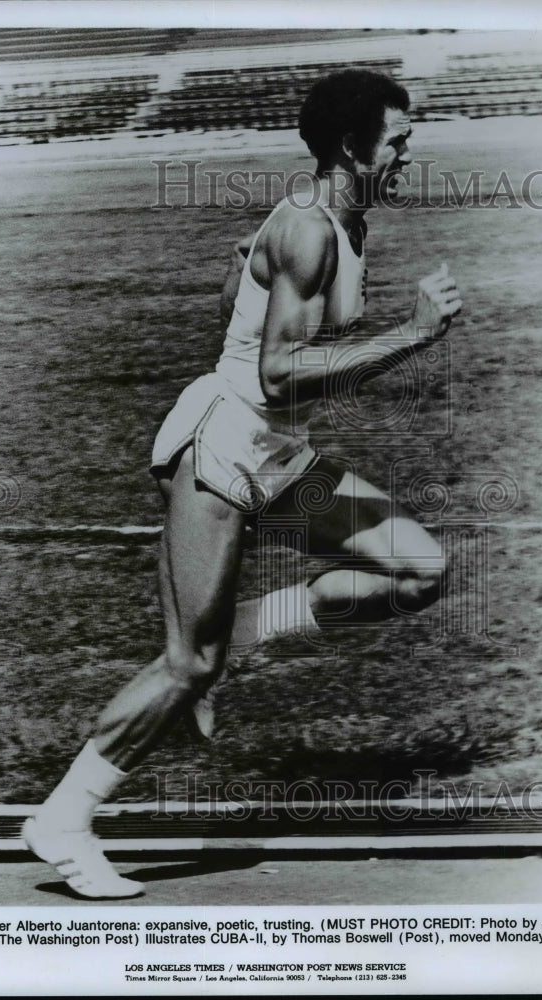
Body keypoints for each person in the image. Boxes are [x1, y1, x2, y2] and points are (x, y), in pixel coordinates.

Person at [23, 68, 462, 899]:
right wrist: (414, 333)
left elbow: (241, 299)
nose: (410, 153)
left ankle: (250, 627)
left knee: (419, 569)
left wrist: (244, 277)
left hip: (279, 453)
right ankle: (65, 817)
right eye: (399, 139)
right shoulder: (310, 228)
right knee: (189, 666)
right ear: (350, 144)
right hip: (223, 448)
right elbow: (283, 373)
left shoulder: (343, 218)